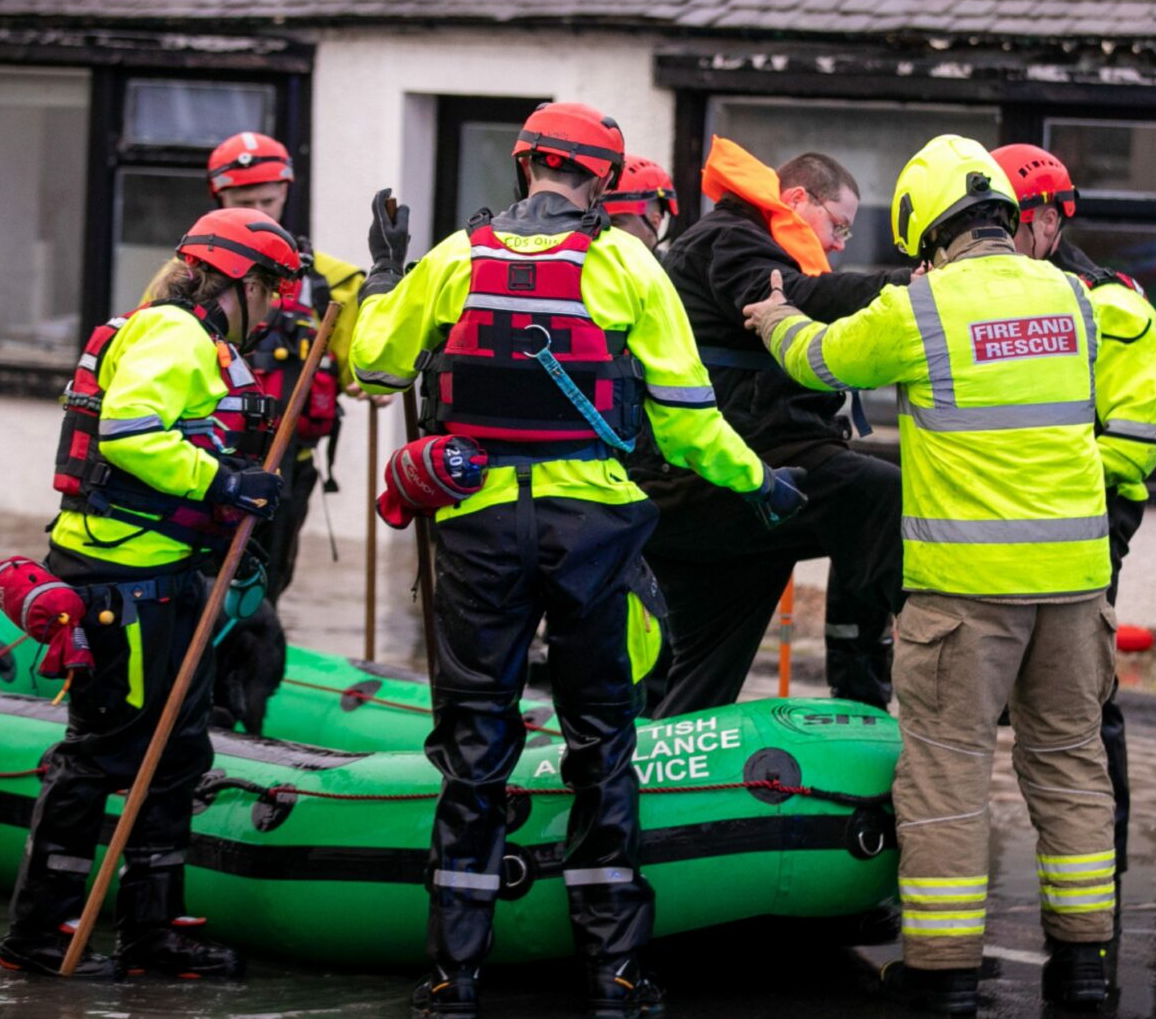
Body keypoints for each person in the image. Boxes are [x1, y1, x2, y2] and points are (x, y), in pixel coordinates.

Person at [349, 102, 804, 1017]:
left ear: (526, 167)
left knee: (475, 749)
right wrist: (760, 479)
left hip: (478, 529)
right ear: (601, 181)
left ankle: (452, 976)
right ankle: (616, 973)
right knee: (603, 741)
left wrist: (383, 279)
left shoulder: (453, 257)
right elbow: (683, 420)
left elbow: (374, 369)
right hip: (592, 531)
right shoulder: (627, 261)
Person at [743, 135, 1122, 1014]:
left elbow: (821, 359)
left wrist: (771, 318)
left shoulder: (923, 307)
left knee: (947, 772)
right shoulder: (1072, 295)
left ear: (924, 224)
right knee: (1069, 764)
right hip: (1074, 583)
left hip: (965, 591)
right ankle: (1086, 964)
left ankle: (944, 973)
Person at [0, 208, 301, 980]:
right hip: (119, 581)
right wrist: (224, 480)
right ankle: (39, 935)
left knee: (174, 756)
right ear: (234, 281)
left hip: (161, 577)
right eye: (268, 290)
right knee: (101, 756)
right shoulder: (173, 334)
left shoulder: (193, 339)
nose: (271, 311)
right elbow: (131, 434)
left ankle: (152, 934)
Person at [639, 138, 907, 715]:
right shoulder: (729, 238)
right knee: (881, 497)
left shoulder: (744, 244)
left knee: (706, 673)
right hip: (724, 477)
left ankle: (658, 775)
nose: (840, 243)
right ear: (796, 198)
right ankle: (882, 684)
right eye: (838, 224)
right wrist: (921, 288)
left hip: (714, 489)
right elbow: (798, 300)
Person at [994, 143, 1156, 899]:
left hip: (1085, 513)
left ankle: (1104, 863)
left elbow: (1130, 447)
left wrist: (1040, 478)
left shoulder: (1112, 305)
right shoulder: (987, 293)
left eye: (1003, 225)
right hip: (1001, 512)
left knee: (1080, 694)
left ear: (1043, 222)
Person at [192, 132, 364, 733]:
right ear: (216, 196)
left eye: (267, 202)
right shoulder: (186, 275)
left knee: (266, 590)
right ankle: (198, 702)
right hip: (206, 468)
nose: (257, 215)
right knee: (202, 588)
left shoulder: (333, 283)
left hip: (287, 472)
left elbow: (364, 372)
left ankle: (243, 713)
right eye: (241, 201)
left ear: (287, 192)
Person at [603, 155, 677, 251]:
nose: (598, 232)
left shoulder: (673, 266)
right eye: (595, 221)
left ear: (654, 222)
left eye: (614, 223)